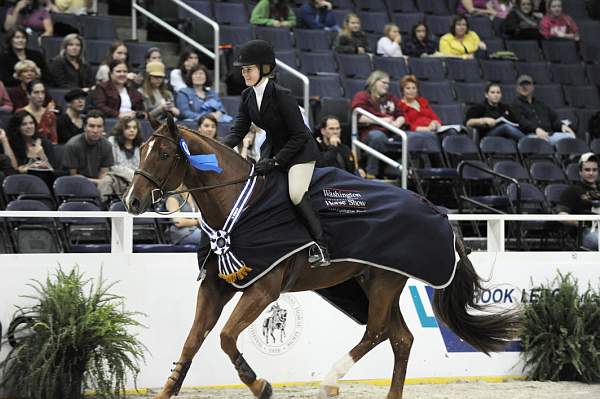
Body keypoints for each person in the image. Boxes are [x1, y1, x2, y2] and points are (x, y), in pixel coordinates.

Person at [223, 39, 330, 266]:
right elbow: (238, 130)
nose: (245, 74)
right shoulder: (247, 96)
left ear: (265, 69)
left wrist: (275, 162)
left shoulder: (282, 94)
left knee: (295, 193)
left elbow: (300, 134)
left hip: (299, 152)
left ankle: (320, 245)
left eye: (249, 69)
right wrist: (219, 148)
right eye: (243, 70)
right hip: (273, 150)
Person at [351, 70, 405, 178]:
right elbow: (359, 117)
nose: (386, 86)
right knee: (377, 136)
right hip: (370, 133)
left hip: (392, 132)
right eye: (384, 82)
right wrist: (382, 121)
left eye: (388, 84)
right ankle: (372, 173)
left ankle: (405, 175)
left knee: (412, 138)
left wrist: (396, 124)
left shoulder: (391, 98)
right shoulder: (362, 96)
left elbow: (401, 115)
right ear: (374, 81)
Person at [511, 74, 575, 144]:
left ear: (532, 87)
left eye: (527, 84)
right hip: (530, 136)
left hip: (549, 134)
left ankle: (575, 155)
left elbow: (553, 119)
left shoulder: (541, 104)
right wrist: (536, 129)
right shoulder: (515, 105)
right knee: (542, 141)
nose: (524, 87)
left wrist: (562, 125)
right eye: (521, 85)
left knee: (571, 136)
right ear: (517, 88)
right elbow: (522, 121)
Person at [557, 153, 600, 250]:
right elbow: (561, 216)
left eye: (594, 170)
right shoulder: (572, 191)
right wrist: (582, 223)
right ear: (580, 172)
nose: (591, 173)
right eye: (587, 170)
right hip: (585, 232)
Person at [62, 110, 114, 187]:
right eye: (92, 126)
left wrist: (98, 183)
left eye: (99, 126)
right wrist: (97, 182)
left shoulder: (107, 145)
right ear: (85, 127)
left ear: (103, 128)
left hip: (98, 186)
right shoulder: (73, 145)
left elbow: (103, 175)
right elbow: (73, 176)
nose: (95, 131)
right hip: (76, 186)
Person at [5, 110, 55, 174]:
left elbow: (53, 170)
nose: (29, 127)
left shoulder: (45, 143)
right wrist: (28, 167)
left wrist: (42, 156)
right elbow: (13, 170)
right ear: (17, 127)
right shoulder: (12, 145)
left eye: (31, 123)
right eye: (24, 124)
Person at [18, 80, 57, 144]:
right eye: (36, 92)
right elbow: (15, 138)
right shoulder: (20, 113)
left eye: (43, 92)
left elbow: (54, 141)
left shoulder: (50, 115)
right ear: (28, 94)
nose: (40, 96)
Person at [107, 116, 142, 183]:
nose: (132, 130)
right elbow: (112, 167)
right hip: (117, 179)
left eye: (135, 128)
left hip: (137, 182)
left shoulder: (141, 145)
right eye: (127, 127)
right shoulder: (112, 142)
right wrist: (131, 175)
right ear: (121, 129)